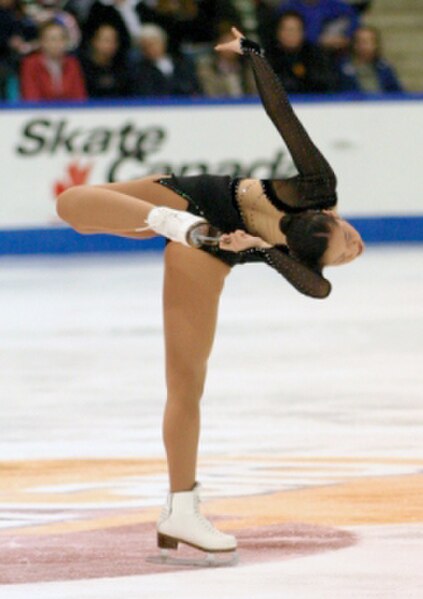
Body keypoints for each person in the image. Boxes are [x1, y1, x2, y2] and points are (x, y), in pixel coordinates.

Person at [56, 27, 364, 564]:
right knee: (74, 206)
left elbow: (318, 289)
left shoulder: (301, 259)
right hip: (192, 200)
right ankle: (169, 222)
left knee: (186, 382)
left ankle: (181, 507)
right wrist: (255, 55)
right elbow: (283, 117)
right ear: (328, 216)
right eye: (350, 242)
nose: (354, 247)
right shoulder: (318, 186)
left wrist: (258, 248)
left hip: (213, 246)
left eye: (347, 253)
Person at [268, 10, 339, 93]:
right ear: (278, 32)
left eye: (295, 30)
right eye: (287, 30)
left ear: (303, 32)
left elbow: (329, 82)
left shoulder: (316, 55)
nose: (291, 34)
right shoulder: (268, 57)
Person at [20, 20, 87, 101]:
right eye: (52, 39)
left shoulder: (73, 63)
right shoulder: (30, 64)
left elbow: (79, 96)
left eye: (61, 39)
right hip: (39, 111)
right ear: (42, 42)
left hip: (69, 111)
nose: (57, 44)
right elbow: (30, 96)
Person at [131, 24, 201, 97]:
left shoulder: (182, 62)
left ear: (163, 42)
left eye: (153, 44)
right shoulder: (139, 70)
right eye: (145, 46)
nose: (150, 49)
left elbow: (194, 87)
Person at [338, 25, 403, 93]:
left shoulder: (384, 67)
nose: (366, 46)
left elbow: (396, 92)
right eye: (362, 42)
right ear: (354, 44)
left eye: (370, 42)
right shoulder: (343, 69)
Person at [278, 0, 360, 52]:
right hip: (300, 52)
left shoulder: (332, 3)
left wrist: (345, 37)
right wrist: (319, 40)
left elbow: (354, 17)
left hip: (331, 52)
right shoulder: (288, 6)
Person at [196, 28, 257, 97]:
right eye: (227, 43)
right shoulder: (208, 69)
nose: (231, 48)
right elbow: (210, 92)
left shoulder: (248, 69)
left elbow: (254, 92)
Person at [80, 23, 132, 98]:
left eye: (113, 41)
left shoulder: (123, 67)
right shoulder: (82, 67)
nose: (110, 45)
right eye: (106, 40)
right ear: (94, 41)